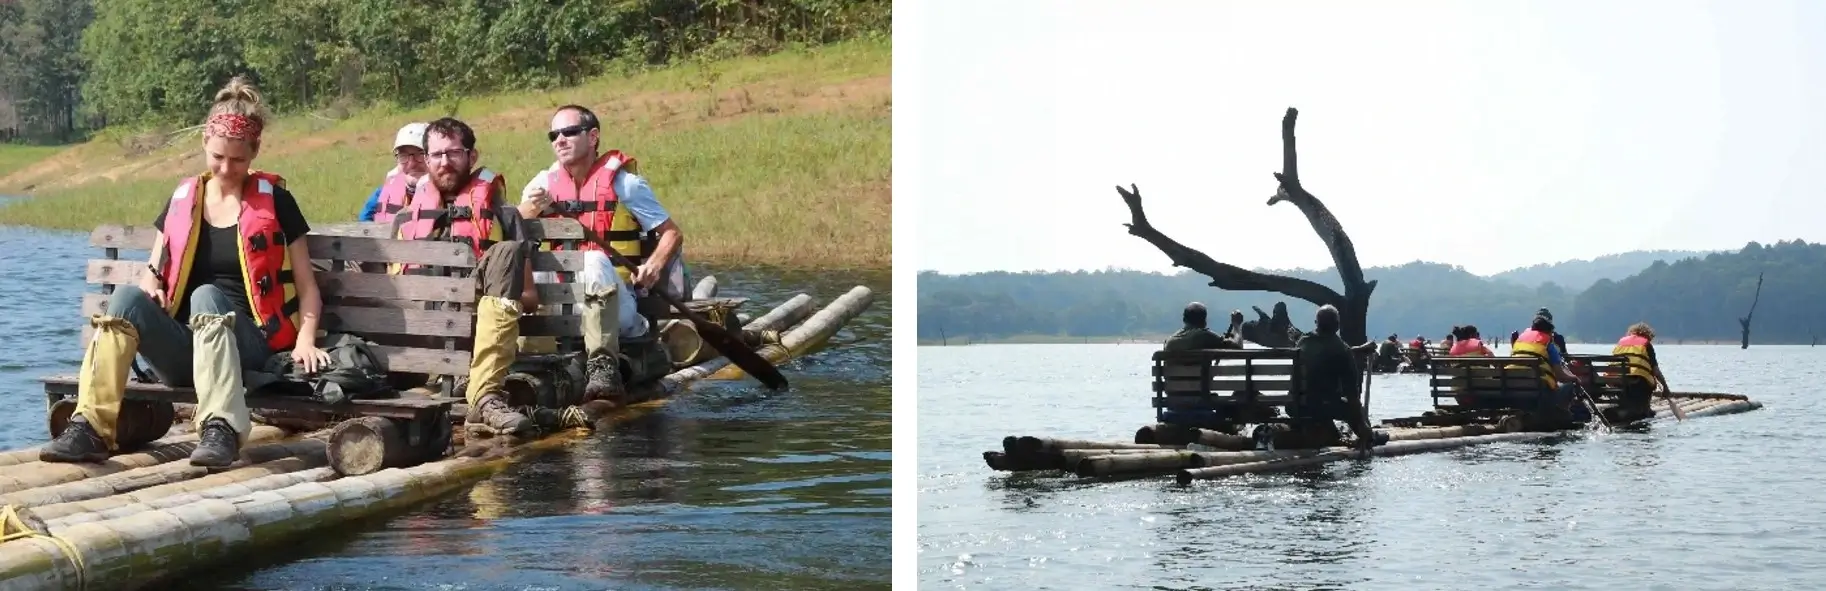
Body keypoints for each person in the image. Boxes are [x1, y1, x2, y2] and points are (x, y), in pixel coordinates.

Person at [42, 77, 330, 467]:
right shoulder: (184, 199)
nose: (227, 168)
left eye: (238, 160)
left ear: (255, 151)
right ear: (204, 146)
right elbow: (152, 271)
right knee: (126, 300)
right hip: (188, 353)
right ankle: (90, 427)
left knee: (205, 295)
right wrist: (152, 286)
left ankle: (221, 429)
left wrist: (306, 339)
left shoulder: (277, 201)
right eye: (218, 157)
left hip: (248, 347)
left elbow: (307, 286)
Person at [517, 104, 687, 400]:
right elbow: (512, 231)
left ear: (593, 136)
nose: (560, 140)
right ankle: (515, 358)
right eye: (554, 134)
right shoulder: (542, 184)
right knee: (516, 259)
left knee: (593, 259)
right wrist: (525, 214)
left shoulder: (626, 185)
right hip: (559, 303)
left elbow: (671, 233)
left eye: (570, 132)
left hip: (616, 307)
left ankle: (603, 365)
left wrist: (655, 265)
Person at [387, 117, 541, 438]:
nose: (445, 162)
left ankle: (484, 396)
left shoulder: (504, 214)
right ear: (427, 160)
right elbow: (393, 292)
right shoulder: (406, 218)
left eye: (454, 153)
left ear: (472, 157)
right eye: (437, 155)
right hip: (421, 335)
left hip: (478, 325)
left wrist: (483, 300)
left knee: (507, 252)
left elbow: (530, 296)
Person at [1294, 305, 1378, 450]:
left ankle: (1327, 434)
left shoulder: (1303, 341)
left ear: (1316, 323)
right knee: (1355, 409)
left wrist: (1357, 350)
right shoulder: (1340, 350)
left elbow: (1325, 351)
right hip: (1321, 406)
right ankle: (1369, 438)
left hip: (1295, 405)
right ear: (1337, 325)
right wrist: (1362, 424)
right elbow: (1351, 394)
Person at [1507, 315, 1587, 423]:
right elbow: (1561, 376)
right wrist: (1574, 378)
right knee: (1569, 385)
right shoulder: (1548, 344)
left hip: (1511, 387)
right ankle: (1560, 415)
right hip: (1539, 392)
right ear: (1547, 331)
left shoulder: (1519, 341)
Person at [359, 123, 429, 223]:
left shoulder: (450, 195)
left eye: (420, 154)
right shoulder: (380, 194)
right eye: (403, 155)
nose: (411, 163)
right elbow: (363, 226)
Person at [1610, 322, 1668, 417]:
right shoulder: (1646, 344)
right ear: (1648, 335)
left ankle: (1624, 406)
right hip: (1637, 382)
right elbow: (1656, 371)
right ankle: (1644, 408)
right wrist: (1665, 387)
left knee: (1637, 378)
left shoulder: (1621, 342)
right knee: (1648, 379)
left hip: (1616, 381)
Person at [1162, 303, 1244, 351]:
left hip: (1171, 381)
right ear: (1204, 322)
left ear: (1184, 319)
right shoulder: (1204, 336)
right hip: (1200, 380)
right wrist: (1236, 325)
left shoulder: (1169, 340)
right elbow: (1238, 347)